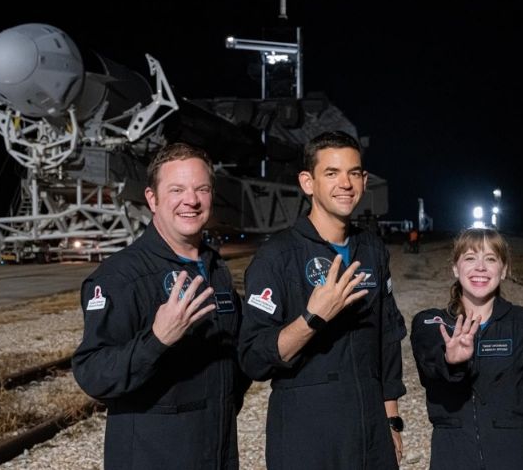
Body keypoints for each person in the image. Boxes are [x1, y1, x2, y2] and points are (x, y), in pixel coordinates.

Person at [72, 143, 250, 469]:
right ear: (152, 199)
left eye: (201, 189)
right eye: (177, 189)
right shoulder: (121, 277)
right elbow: (93, 374)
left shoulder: (216, 271)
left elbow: (234, 365)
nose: (191, 200)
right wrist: (157, 339)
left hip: (217, 455)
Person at [238, 131, 408, 469]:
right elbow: (254, 359)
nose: (346, 183)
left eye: (354, 173)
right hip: (307, 432)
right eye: (331, 173)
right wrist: (311, 319)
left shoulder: (372, 250)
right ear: (308, 182)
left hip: (369, 427)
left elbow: (386, 341)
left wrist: (391, 420)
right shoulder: (277, 256)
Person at [411, 228, 523, 470]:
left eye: (491, 259)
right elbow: (431, 368)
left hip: (519, 458)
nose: (480, 267)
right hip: (455, 457)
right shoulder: (432, 322)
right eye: (470, 258)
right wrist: (452, 361)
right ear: (455, 268)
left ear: (504, 270)